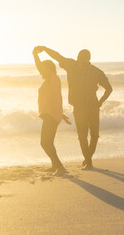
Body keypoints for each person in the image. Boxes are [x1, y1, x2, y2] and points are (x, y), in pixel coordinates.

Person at [36, 46, 113, 170]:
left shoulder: (96, 72)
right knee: (82, 136)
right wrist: (45, 49)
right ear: (77, 58)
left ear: (88, 60)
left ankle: (88, 160)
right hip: (79, 107)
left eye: (83, 59)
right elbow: (57, 56)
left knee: (94, 135)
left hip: (93, 107)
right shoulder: (72, 65)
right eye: (79, 59)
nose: (80, 62)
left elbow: (109, 89)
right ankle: (88, 162)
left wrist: (100, 102)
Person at [33, 46, 71, 176]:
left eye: (43, 70)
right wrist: (61, 114)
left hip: (50, 116)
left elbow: (40, 67)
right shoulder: (52, 80)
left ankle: (60, 167)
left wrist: (34, 55)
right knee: (48, 142)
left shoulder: (52, 77)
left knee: (45, 143)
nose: (40, 72)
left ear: (48, 69)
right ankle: (55, 165)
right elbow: (56, 98)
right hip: (52, 115)